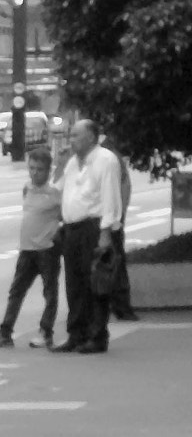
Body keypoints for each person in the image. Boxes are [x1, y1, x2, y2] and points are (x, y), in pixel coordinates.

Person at [0, 146, 63, 350]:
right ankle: (5, 334)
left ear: (48, 170)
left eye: (40, 169)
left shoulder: (55, 194)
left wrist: (56, 235)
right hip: (27, 250)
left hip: (47, 249)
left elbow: (65, 217)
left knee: (50, 293)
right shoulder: (27, 188)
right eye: (32, 168)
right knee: (16, 292)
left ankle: (46, 332)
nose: (34, 173)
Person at [52, 118, 123, 353]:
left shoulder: (105, 160)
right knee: (74, 283)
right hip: (72, 229)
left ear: (91, 137)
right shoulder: (73, 162)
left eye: (75, 136)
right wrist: (60, 164)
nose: (71, 140)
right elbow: (57, 190)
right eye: (71, 136)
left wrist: (105, 233)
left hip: (93, 227)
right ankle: (76, 333)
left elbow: (110, 196)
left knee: (94, 282)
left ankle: (97, 335)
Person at [100, 135, 138, 321]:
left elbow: (123, 186)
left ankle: (116, 306)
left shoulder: (109, 155)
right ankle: (119, 306)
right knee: (114, 263)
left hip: (111, 219)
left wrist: (118, 216)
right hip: (111, 219)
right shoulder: (110, 156)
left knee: (111, 263)